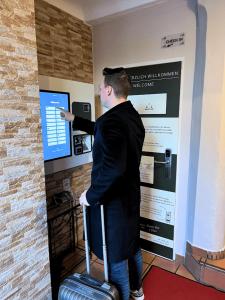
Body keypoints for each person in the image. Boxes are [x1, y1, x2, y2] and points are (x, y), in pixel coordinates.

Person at [59, 67, 145, 300]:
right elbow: (101, 129)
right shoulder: (131, 116)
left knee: (116, 256)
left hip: (114, 203)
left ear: (108, 89)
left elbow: (114, 168)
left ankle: (125, 295)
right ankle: (138, 291)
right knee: (133, 245)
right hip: (130, 198)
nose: (99, 92)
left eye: (100, 89)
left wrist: (91, 195)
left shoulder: (111, 121)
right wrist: (74, 119)